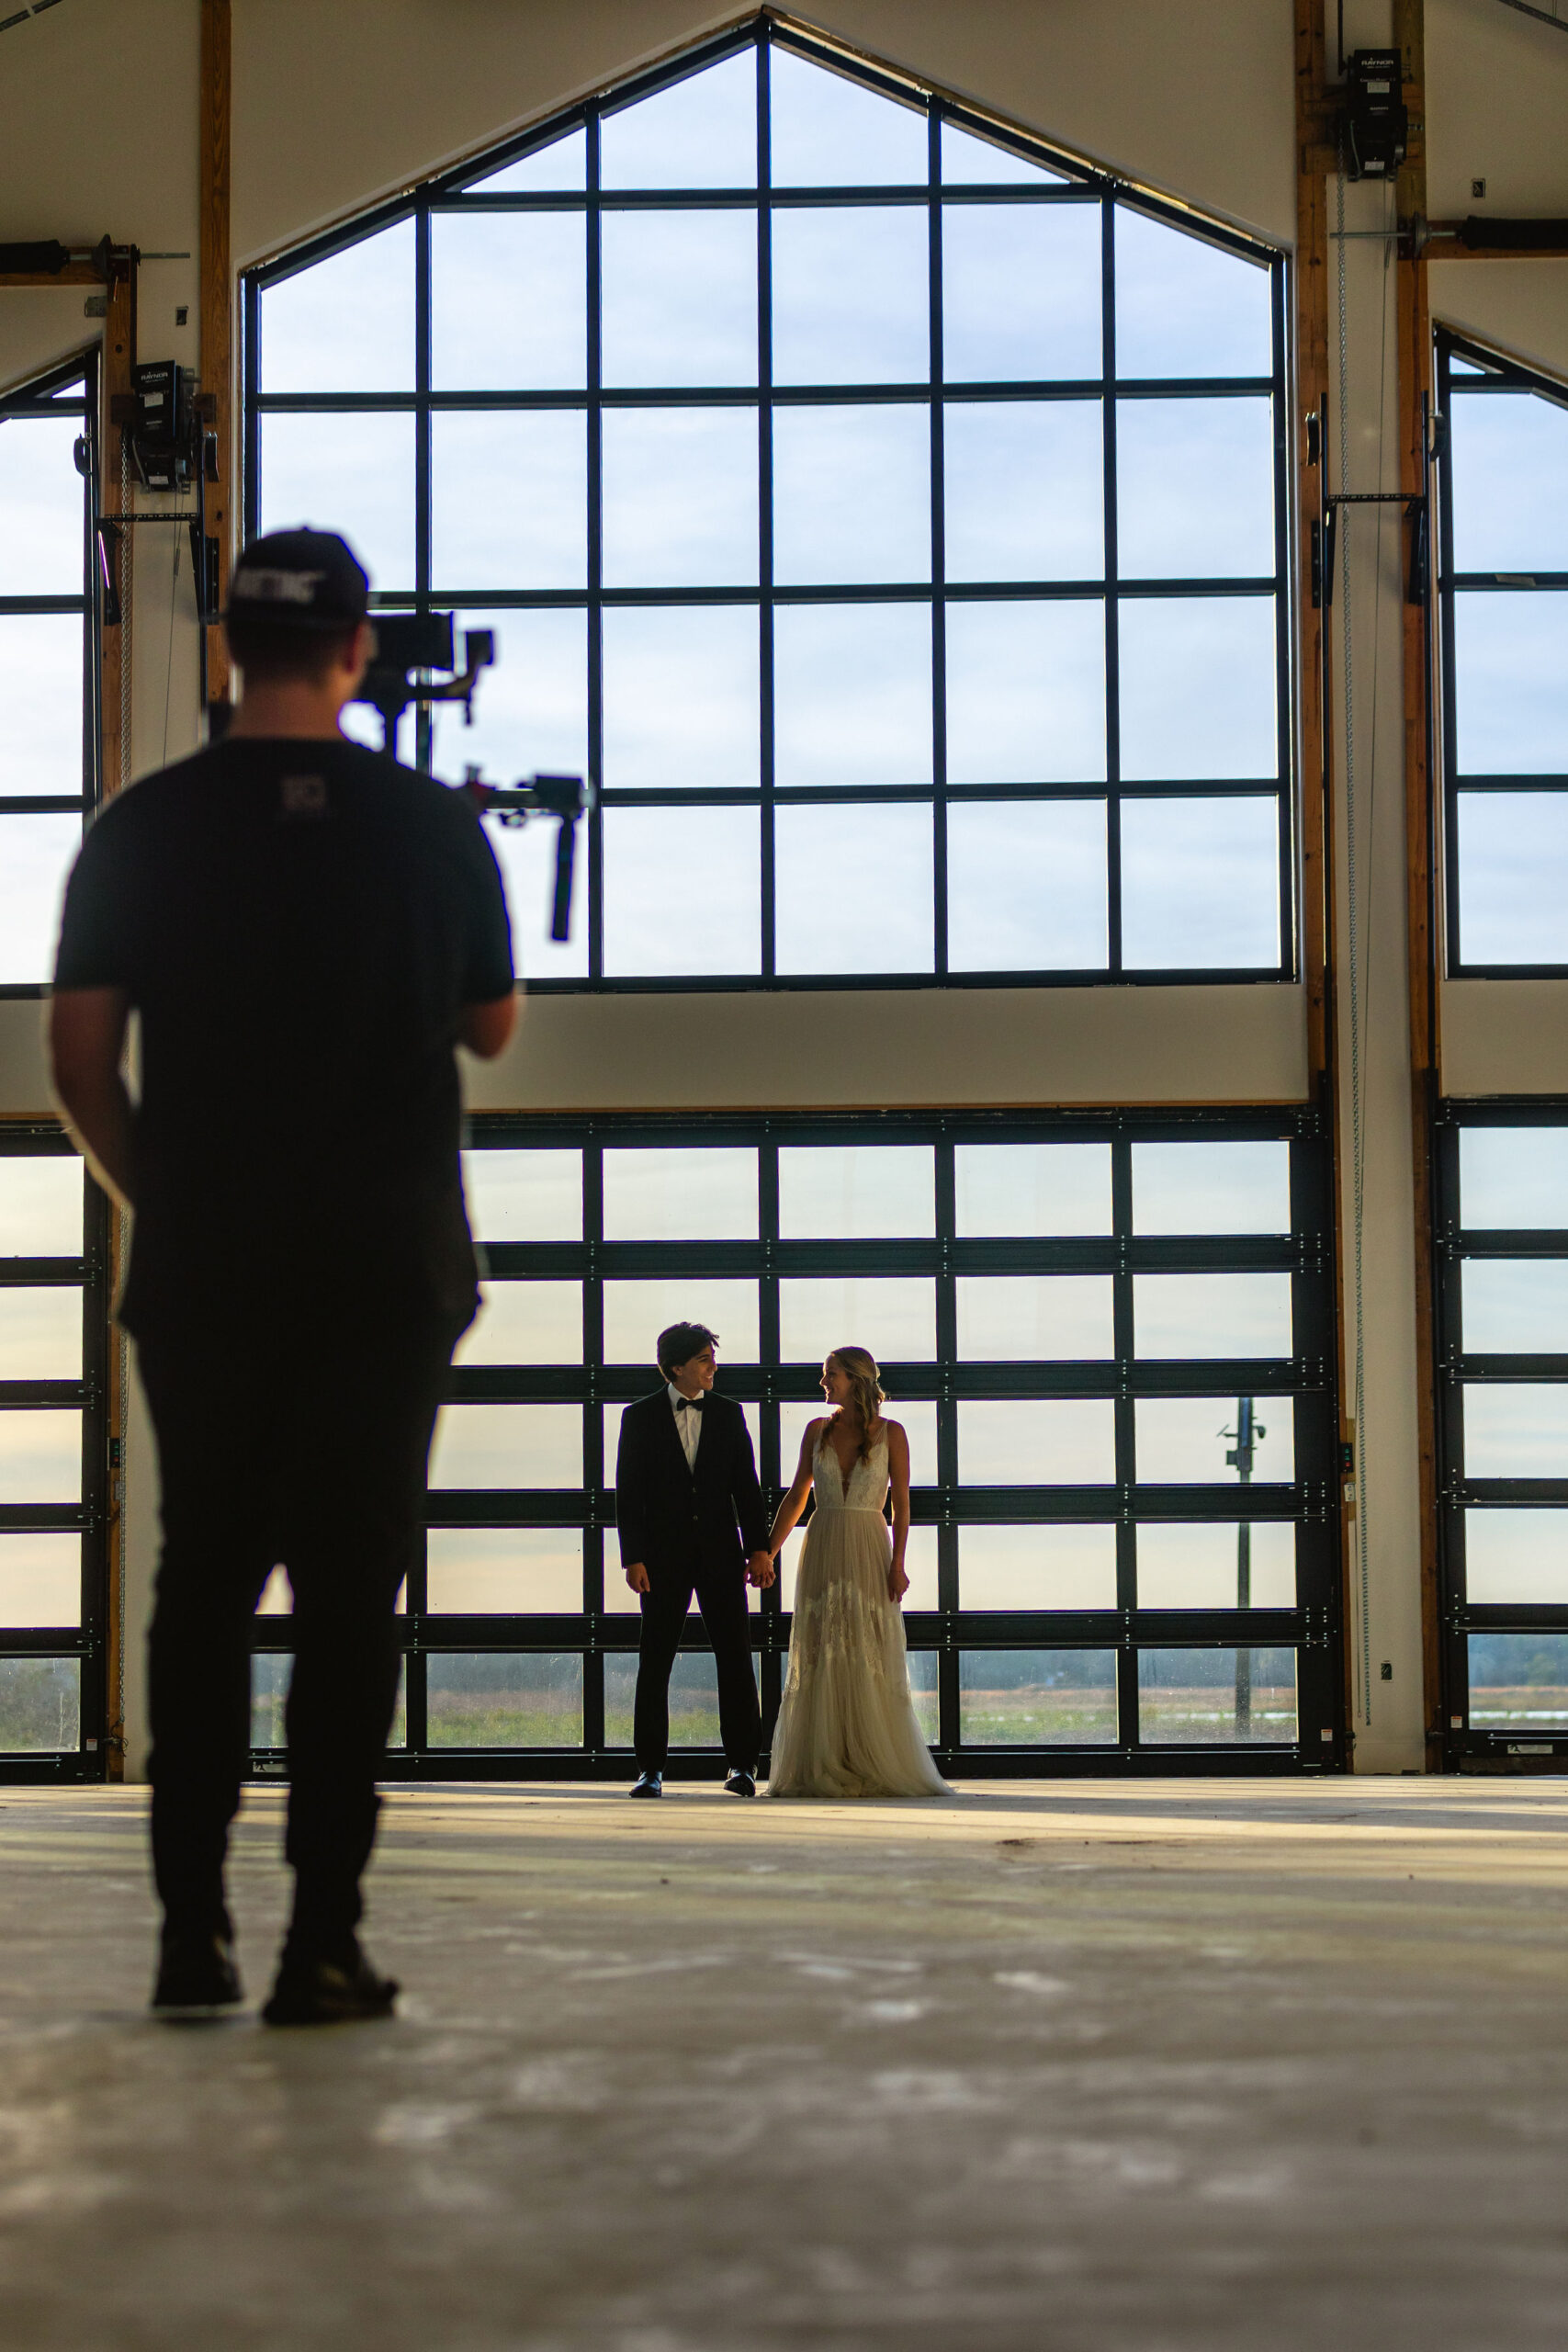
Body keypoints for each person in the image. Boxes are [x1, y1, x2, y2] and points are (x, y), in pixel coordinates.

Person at [48, 528, 517, 2024]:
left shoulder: (146, 825)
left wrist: (169, 1197)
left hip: (212, 1266)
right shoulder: (429, 828)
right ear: (359, 651)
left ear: (223, 647)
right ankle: (323, 1939)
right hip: (382, 1267)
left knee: (203, 1590)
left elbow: (75, 1058)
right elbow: (493, 1029)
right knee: (345, 1601)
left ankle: (192, 1940)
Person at [765, 1346, 948, 1800]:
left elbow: (902, 1504)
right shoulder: (815, 1431)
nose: (823, 1382)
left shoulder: (893, 1434)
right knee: (822, 1644)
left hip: (869, 1543)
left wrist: (899, 1563)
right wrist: (767, 1552)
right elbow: (796, 1497)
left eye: (830, 1375)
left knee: (868, 1642)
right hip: (823, 1541)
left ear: (855, 1379)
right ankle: (824, 1756)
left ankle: (870, 1754)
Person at [615, 1322, 773, 1797]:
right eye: (704, 1359)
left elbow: (746, 1487)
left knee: (735, 1660)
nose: (713, 1366)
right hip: (660, 1561)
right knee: (655, 1661)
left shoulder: (730, 1414)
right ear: (676, 1366)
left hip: (723, 1557)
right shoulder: (638, 1417)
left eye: (712, 1357)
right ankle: (650, 1771)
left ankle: (743, 1767)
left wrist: (759, 1549)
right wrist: (633, 1558)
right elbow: (629, 1494)